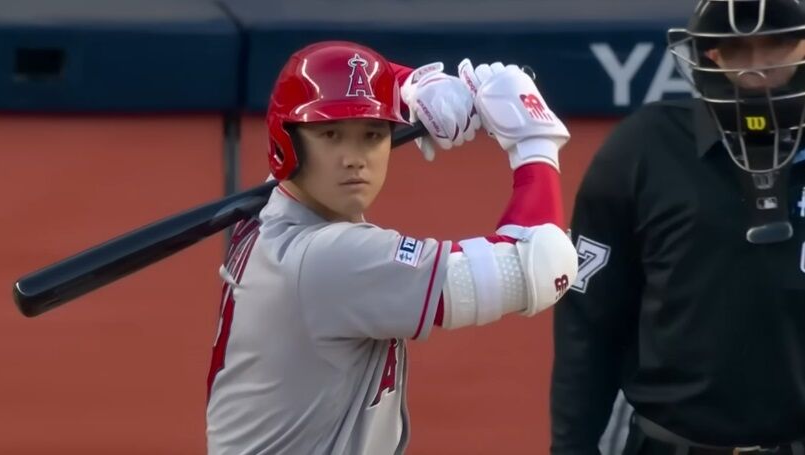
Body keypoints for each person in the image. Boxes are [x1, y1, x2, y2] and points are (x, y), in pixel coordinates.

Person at [204, 40, 578, 455]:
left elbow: (346, 74)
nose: (354, 158)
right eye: (331, 135)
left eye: (372, 134)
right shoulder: (330, 258)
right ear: (288, 142)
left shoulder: (272, 209)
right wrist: (534, 143)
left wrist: (417, 85)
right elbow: (542, 265)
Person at [551, 0, 805, 454]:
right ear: (710, 54)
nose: (756, 68)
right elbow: (587, 326)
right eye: (737, 48)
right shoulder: (643, 149)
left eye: (778, 44)